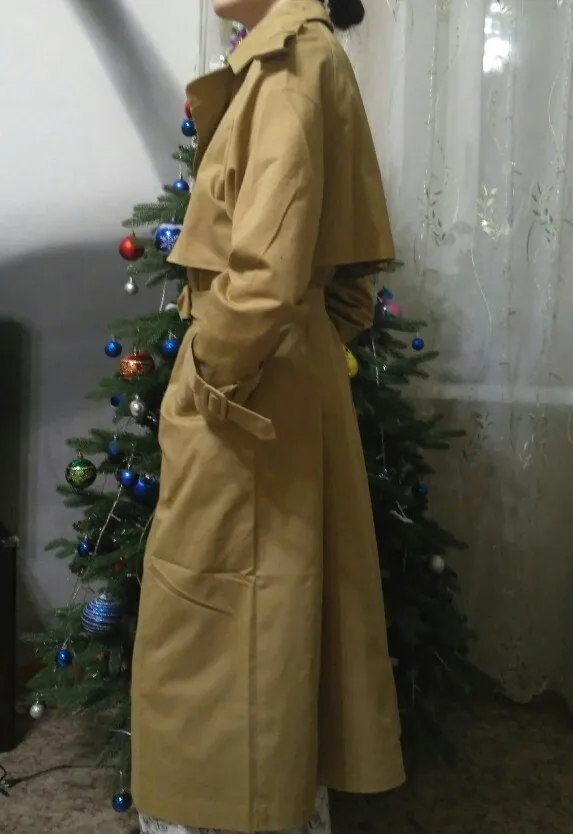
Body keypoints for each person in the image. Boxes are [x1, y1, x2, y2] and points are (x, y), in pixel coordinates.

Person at [131, 0, 405, 832]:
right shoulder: (307, 56)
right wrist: (306, 351)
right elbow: (346, 278)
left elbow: (265, 272)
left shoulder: (288, 65)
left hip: (250, 387)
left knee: (219, 617)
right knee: (273, 607)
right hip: (282, 374)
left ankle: (231, 813)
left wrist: (209, 374)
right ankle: (275, 803)